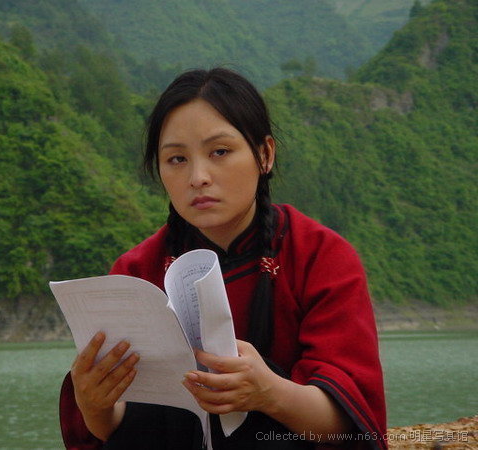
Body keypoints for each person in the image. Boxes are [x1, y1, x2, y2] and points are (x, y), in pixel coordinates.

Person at [59, 68, 387, 449]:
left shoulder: (319, 256)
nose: (198, 177)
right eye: (176, 159)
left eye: (220, 152)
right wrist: (94, 405)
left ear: (265, 155)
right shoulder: (135, 273)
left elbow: (348, 423)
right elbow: (121, 427)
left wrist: (269, 393)